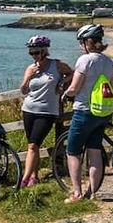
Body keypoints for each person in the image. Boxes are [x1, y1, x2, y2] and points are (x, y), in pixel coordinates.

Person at [62, 23, 113, 202]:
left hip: (84, 111)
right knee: (94, 152)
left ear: (88, 42)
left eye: (81, 42)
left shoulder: (84, 60)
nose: (80, 46)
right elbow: (111, 83)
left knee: (72, 152)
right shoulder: (108, 62)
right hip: (102, 111)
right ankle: (93, 193)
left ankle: (76, 193)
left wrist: (65, 94)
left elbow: (74, 87)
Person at [19, 35, 73, 187]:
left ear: (44, 51)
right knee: (32, 145)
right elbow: (23, 90)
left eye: (36, 52)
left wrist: (62, 83)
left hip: (47, 111)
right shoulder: (30, 68)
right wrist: (28, 78)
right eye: (31, 53)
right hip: (28, 109)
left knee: (33, 146)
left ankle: (23, 179)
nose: (34, 56)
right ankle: (34, 177)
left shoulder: (57, 65)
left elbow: (72, 73)